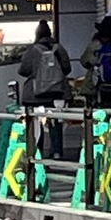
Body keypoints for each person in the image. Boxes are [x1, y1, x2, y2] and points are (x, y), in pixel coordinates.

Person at [16, 20, 72, 153]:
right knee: (55, 122)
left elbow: (23, 70)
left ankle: (37, 152)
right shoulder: (59, 48)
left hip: (35, 95)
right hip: (57, 93)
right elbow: (67, 68)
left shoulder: (33, 50)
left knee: (35, 123)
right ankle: (57, 152)